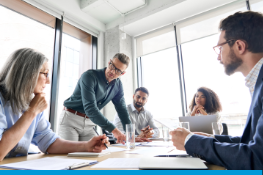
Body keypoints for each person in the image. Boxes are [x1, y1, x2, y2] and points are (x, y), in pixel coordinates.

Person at [170, 11, 263, 170]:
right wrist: (212, 138)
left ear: (239, 46)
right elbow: (250, 142)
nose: (218, 57)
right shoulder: (257, 83)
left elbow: (257, 159)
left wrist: (190, 142)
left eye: (220, 48)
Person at [0, 48, 109, 161]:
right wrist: (31, 112)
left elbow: (49, 142)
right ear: (27, 74)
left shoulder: (31, 102)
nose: (48, 81)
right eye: (45, 74)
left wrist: (86, 146)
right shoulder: (28, 106)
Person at [58, 53, 131, 144]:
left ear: (122, 73)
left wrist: (131, 135)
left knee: (97, 152)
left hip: (89, 124)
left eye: (118, 71)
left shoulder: (118, 85)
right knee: (70, 155)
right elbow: (90, 108)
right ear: (109, 62)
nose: (113, 72)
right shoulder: (89, 76)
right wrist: (114, 130)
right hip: (71, 120)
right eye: (112, 66)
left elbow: (122, 110)